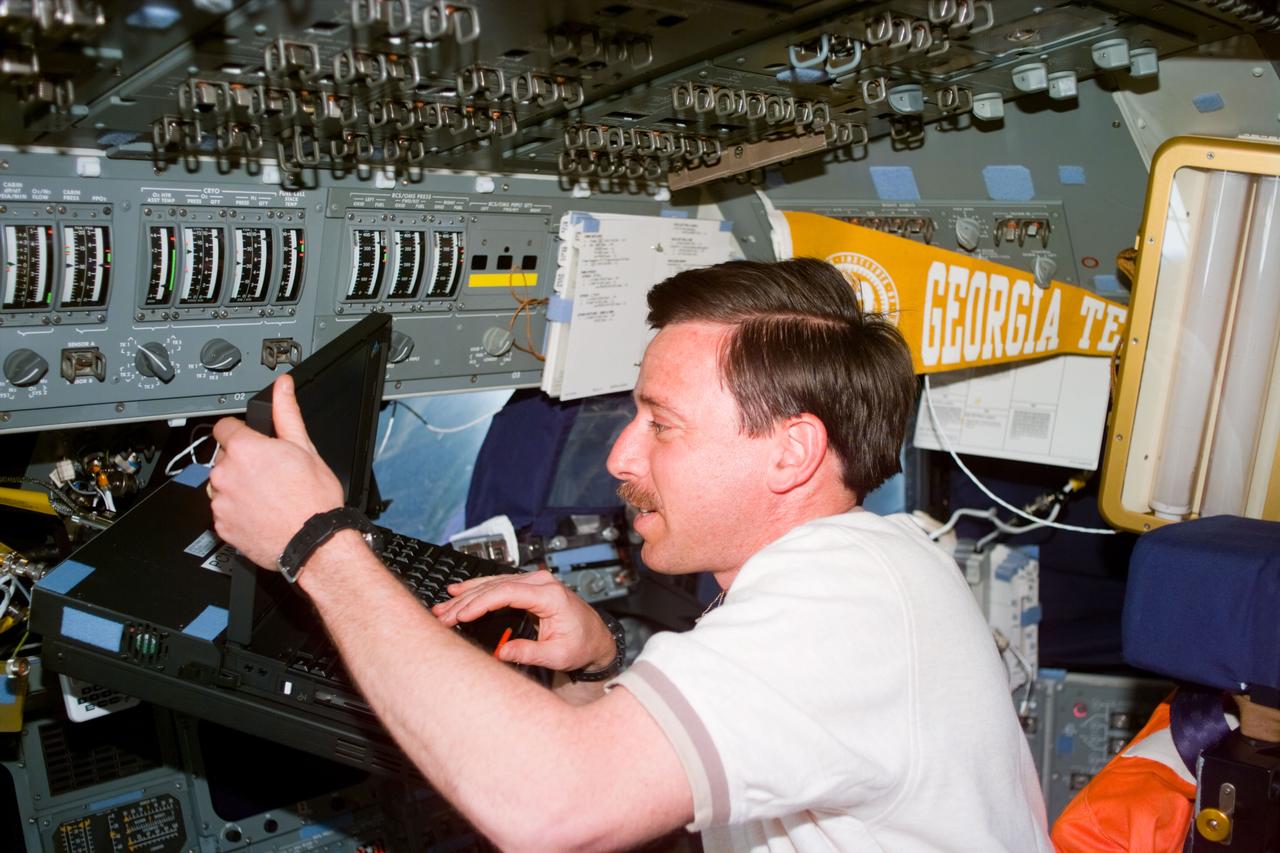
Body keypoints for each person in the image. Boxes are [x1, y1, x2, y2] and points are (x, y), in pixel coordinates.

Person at [209, 258, 1052, 851]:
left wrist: (315, 539)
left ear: (790, 453)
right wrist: (603, 666)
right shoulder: (863, 571)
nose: (619, 457)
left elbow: (550, 805)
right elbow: (699, 752)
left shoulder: (850, 593)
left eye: (662, 422)